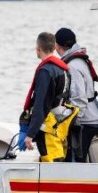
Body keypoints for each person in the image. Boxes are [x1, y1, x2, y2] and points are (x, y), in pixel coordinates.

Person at [21, 32, 76, 162]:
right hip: (60, 126)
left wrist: (30, 134)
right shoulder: (63, 69)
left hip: (48, 130)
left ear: (38, 48)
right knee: (58, 161)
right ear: (53, 47)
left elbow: (41, 105)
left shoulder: (46, 71)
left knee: (50, 166)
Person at [54, 27, 98, 162]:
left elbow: (79, 98)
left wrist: (69, 123)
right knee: (76, 160)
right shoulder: (79, 59)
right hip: (90, 117)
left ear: (57, 46)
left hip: (85, 122)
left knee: (74, 162)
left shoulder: (73, 65)